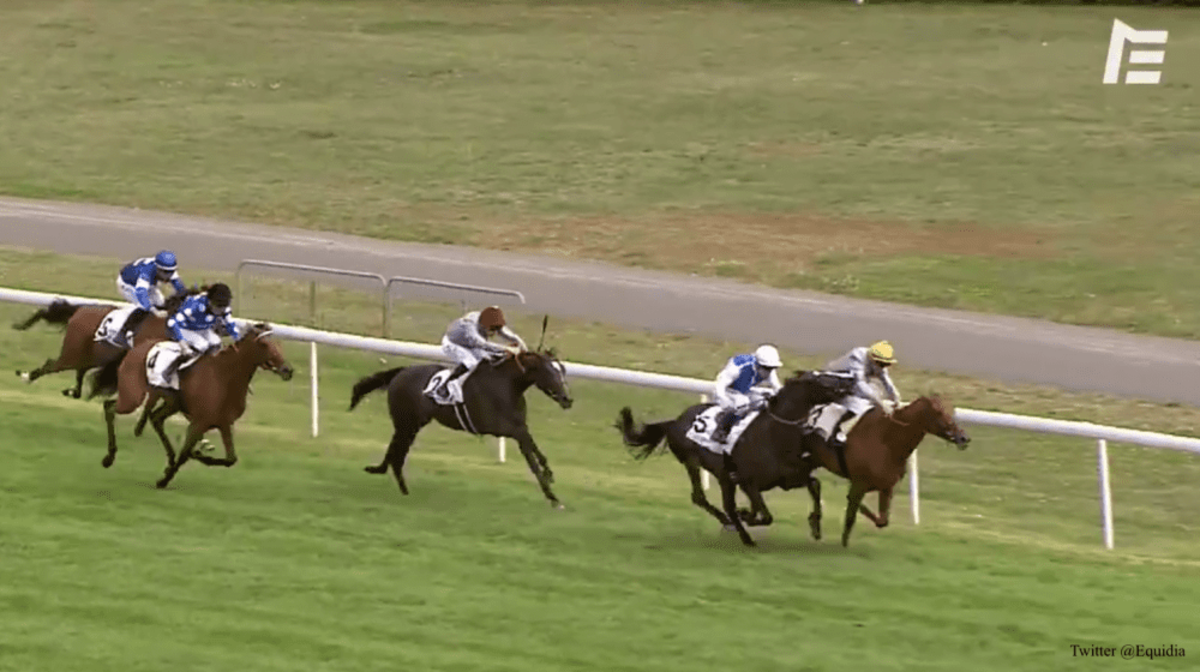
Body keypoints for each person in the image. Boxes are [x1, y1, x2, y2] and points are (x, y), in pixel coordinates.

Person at [155, 283, 241, 389]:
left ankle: (207, 370)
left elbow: (230, 323)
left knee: (216, 342)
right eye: (219, 307)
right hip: (184, 328)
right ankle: (169, 371)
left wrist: (238, 338)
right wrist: (182, 344)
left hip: (202, 328)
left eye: (223, 307)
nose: (221, 311)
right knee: (202, 345)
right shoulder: (195, 306)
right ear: (210, 301)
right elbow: (173, 322)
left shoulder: (223, 307)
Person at [820, 340, 902, 449]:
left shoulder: (877, 363)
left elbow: (886, 380)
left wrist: (896, 397)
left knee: (876, 393)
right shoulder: (857, 356)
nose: (883, 367)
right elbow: (860, 384)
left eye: (886, 364)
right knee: (859, 403)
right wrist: (880, 402)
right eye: (881, 364)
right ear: (872, 359)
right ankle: (840, 431)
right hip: (835, 380)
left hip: (851, 382)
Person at [434, 306, 528, 399]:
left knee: (488, 360)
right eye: (492, 330)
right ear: (484, 325)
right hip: (453, 343)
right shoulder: (469, 325)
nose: (494, 333)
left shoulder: (490, 320)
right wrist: (506, 349)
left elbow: (509, 335)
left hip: (471, 344)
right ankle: (445, 385)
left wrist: (522, 347)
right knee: (471, 363)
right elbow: (482, 344)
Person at [710, 344, 784, 444]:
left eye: (772, 368)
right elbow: (719, 386)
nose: (769, 372)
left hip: (744, 391)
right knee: (742, 403)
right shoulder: (738, 367)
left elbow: (777, 387)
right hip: (728, 390)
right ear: (757, 365)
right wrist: (724, 401)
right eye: (766, 368)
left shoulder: (769, 371)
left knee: (764, 402)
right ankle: (721, 430)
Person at [117, 251, 187, 313]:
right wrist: (151, 308)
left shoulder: (168, 269)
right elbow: (141, 292)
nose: (168, 276)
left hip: (149, 285)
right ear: (158, 268)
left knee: (161, 304)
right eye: (165, 272)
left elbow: (181, 289)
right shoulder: (146, 271)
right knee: (142, 308)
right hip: (128, 285)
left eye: (172, 271)